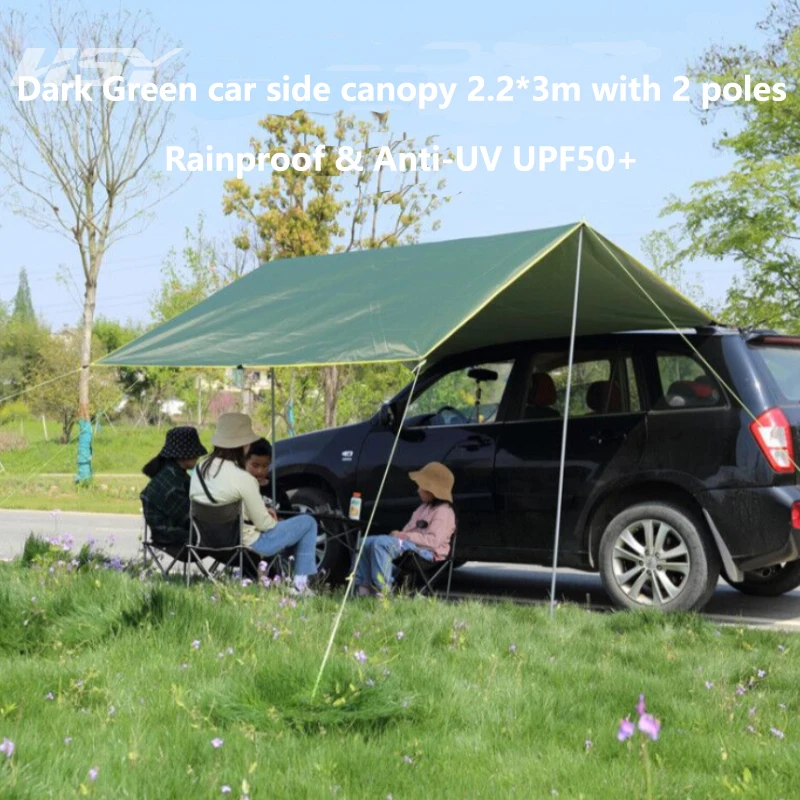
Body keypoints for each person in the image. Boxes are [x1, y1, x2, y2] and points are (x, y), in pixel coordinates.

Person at [190, 413, 318, 594]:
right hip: (245, 545)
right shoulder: (243, 478)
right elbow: (265, 525)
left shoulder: (199, 469)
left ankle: (291, 580)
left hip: (206, 541)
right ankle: (301, 584)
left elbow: (220, 501)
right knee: (308, 522)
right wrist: (272, 517)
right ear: (243, 444)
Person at [353, 462, 456, 596]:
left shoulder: (444, 512)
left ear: (432, 490)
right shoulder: (423, 508)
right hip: (411, 546)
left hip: (427, 553)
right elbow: (407, 531)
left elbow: (433, 541)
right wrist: (398, 535)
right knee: (365, 541)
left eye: (421, 486)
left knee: (380, 545)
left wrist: (405, 537)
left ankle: (383, 590)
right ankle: (364, 587)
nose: (418, 490)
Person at [140, 427, 208, 546]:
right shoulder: (172, 484)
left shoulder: (172, 473)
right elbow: (191, 518)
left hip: (170, 535)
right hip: (174, 538)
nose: (198, 456)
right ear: (183, 455)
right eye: (195, 452)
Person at [244, 437, 293, 514]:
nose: (260, 471)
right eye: (255, 465)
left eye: (265, 466)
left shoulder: (277, 489)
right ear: (244, 461)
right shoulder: (238, 486)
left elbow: (289, 517)